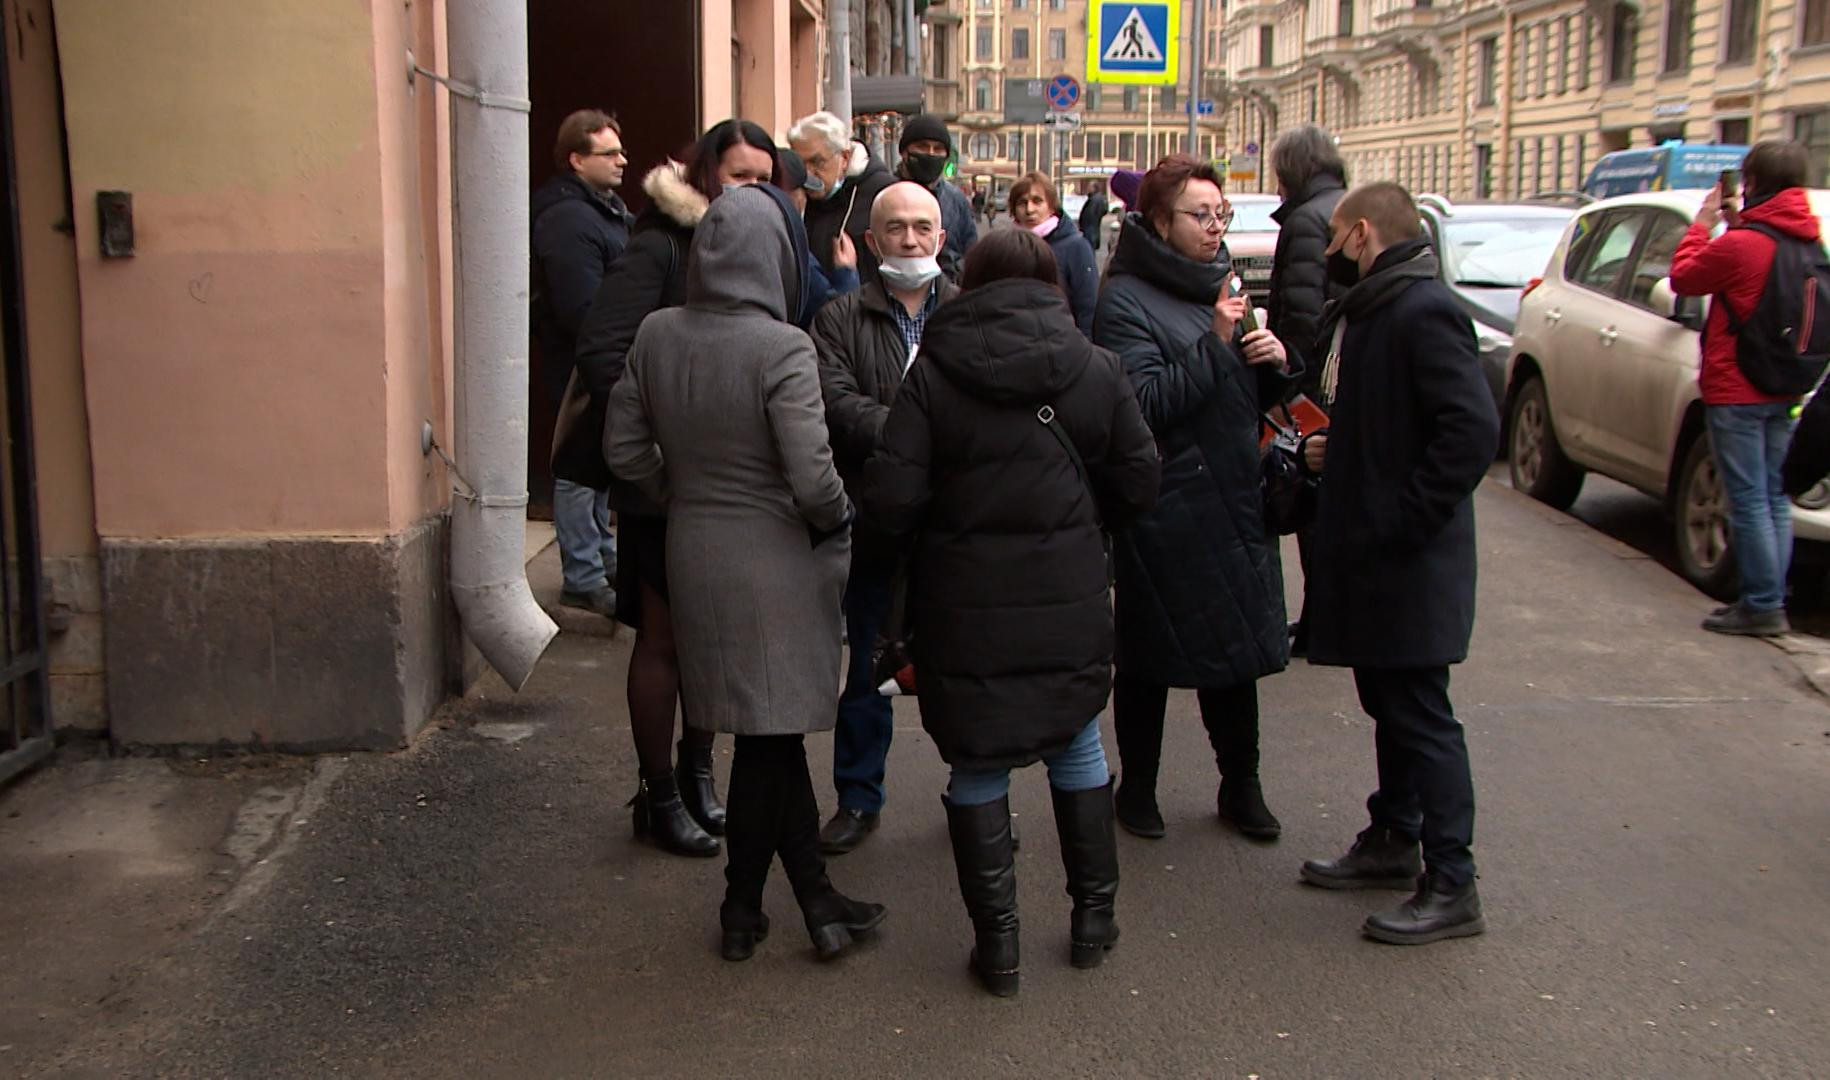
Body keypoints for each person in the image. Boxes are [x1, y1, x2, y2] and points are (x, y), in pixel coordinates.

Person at [862, 229, 1160, 996]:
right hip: (1068, 594)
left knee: (978, 760)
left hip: (963, 603)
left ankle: (999, 947)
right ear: (1053, 284)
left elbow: (893, 502)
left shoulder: (934, 373)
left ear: (972, 283)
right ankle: (1094, 920)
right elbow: (1140, 481)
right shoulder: (1095, 367)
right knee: (1078, 745)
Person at [605, 184, 887, 963]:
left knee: (768, 741)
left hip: (695, 551)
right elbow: (813, 473)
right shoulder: (782, 346)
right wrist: (836, 521)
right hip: (780, 562)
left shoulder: (659, 333)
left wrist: (686, 494)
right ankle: (788, 909)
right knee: (773, 736)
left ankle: (765, 907)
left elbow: (624, 451)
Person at [565, 119, 782, 857]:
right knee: (663, 642)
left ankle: (697, 776)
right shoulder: (661, 243)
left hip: (732, 489)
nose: (747, 189)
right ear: (705, 175)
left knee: (709, 638)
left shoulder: (766, 249)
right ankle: (657, 794)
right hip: (661, 485)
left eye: (761, 177)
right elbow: (603, 350)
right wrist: (659, 450)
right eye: (736, 174)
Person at [1296, 181, 1500, 946]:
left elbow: (1470, 434)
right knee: (1393, 706)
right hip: (1380, 554)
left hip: (1410, 559)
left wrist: (1401, 519)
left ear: (1360, 235)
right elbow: (1390, 419)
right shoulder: (1378, 306)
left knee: (1420, 715)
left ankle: (1453, 881)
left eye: (1332, 240)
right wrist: (1335, 446)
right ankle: (1394, 838)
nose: (1325, 255)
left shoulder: (1422, 309)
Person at [1091, 154, 1298, 843]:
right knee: (1150, 658)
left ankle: (1243, 787)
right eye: (1200, 215)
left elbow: (1238, 399)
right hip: (1167, 504)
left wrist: (1269, 366)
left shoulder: (1223, 281)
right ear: (1157, 220)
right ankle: (1138, 790)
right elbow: (1141, 404)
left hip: (1235, 497)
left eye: (1222, 215)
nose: (1215, 228)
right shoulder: (1123, 297)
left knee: (1234, 654)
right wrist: (1216, 344)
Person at [810, 182, 959, 855]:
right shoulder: (839, 319)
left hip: (956, 523)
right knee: (868, 665)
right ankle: (858, 798)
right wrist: (917, 432)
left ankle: (975, 792)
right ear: (872, 242)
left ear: (941, 237)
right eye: (895, 228)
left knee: (963, 665)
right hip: (871, 519)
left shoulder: (967, 315)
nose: (910, 239)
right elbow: (834, 402)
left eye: (922, 227)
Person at [1670, 141, 1822, 637]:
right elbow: (1755, 273)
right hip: (1786, 386)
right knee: (1774, 495)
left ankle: (1761, 604)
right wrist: (1737, 224)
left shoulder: (1741, 244)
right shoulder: (1808, 244)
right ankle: (1770, 595)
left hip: (1737, 389)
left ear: (1753, 182)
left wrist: (1701, 226)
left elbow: (1684, 278)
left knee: (1749, 498)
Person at [531, 109, 631, 618]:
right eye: (608, 153)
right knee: (577, 469)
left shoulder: (603, 210)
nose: (622, 160)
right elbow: (581, 305)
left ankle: (602, 560)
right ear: (576, 159)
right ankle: (583, 577)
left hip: (600, 357)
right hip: (581, 364)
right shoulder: (569, 218)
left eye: (620, 150)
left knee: (596, 466)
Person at [1266, 125, 1348, 658]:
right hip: (1342, 377)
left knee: (1309, 495)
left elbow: (1299, 315)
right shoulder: (1340, 207)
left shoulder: (1305, 221)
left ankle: (1325, 621)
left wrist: (1284, 389)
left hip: (1314, 388)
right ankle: (1328, 615)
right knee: (1332, 503)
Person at [790, 111, 896, 284]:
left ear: (845, 158)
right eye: (800, 164)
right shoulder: (796, 193)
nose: (807, 174)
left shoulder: (884, 194)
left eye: (817, 162)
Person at [1008, 172, 1100, 337]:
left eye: (1038, 201)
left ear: (1051, 206)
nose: (1029, 210)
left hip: (1064, 348)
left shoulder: (1075, 247)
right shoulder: (1006, 247)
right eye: (1022, 203)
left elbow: (1088, 308)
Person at [776, 146, 860, 326]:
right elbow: (835, 316)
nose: (806, 200)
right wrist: (846, 275)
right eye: (804, 192)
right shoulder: (791, 249)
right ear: (793, 195)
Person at [894, 114, 978, 282]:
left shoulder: (956, 200)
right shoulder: (886, 195)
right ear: (904, 152)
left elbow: (971, 252)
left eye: (938, 148)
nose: (930, 154)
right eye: (922, 147)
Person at [1078, 183, 1109, 252]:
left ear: (1094, 188)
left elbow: (1090, 213)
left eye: (1089, 187)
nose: (1087, 189)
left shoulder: (1095, 199)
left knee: (1089, 248)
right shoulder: (1094, 198)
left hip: (1090, 227)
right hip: (1091, 227)